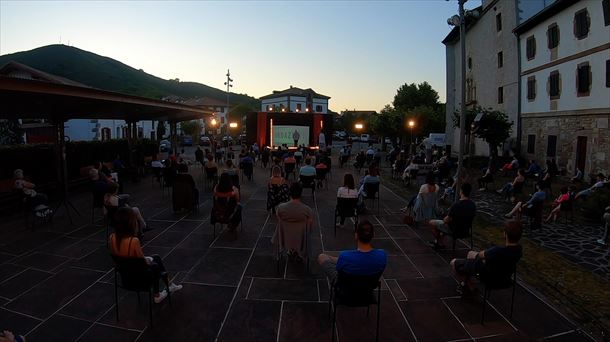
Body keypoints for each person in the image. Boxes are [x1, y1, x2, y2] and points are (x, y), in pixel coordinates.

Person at [109, 207, 182, 303]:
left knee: (156, 257)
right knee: (155, 264)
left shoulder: (111, 237)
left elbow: (122, 258)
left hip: (125, 275)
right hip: (139, 278)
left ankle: (170, 284)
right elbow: (143, 263)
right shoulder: (133, 241)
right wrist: (148, 261)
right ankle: (157, 295)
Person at [450, 220, 523, 295]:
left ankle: (468, 286)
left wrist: (485, 258)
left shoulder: (498, 251)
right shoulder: (518, 250)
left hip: (488, 277)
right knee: (470, 253)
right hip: (505, 279)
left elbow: (481, 255)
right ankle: (470, 283)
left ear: (505, 234)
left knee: (453, 263)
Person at [317, 220, 387, 283]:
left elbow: (339, 270)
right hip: (369, 286)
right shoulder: (382, 255)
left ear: (356, 235)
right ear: (373, 235)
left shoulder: (345, 256)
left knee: (322, 257)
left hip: (345, 286)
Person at [428, 183, 476, 249]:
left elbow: (446, 220)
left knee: (431, 223)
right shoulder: (473, 205)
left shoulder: (456, 205)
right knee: (443, 223)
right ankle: (440, 242)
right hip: (466, 230)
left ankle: (439, 243)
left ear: (461, 191)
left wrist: (445, 218)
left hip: (454, 230)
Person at [276, 182, 314, 259]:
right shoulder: (307, 210)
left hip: (285, 237)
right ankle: (297, 250)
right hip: (301, 239)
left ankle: (291, 249)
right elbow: (310, 227)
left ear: (290, 192)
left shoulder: (280, 208)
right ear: (301, 193)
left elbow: (279, 220)